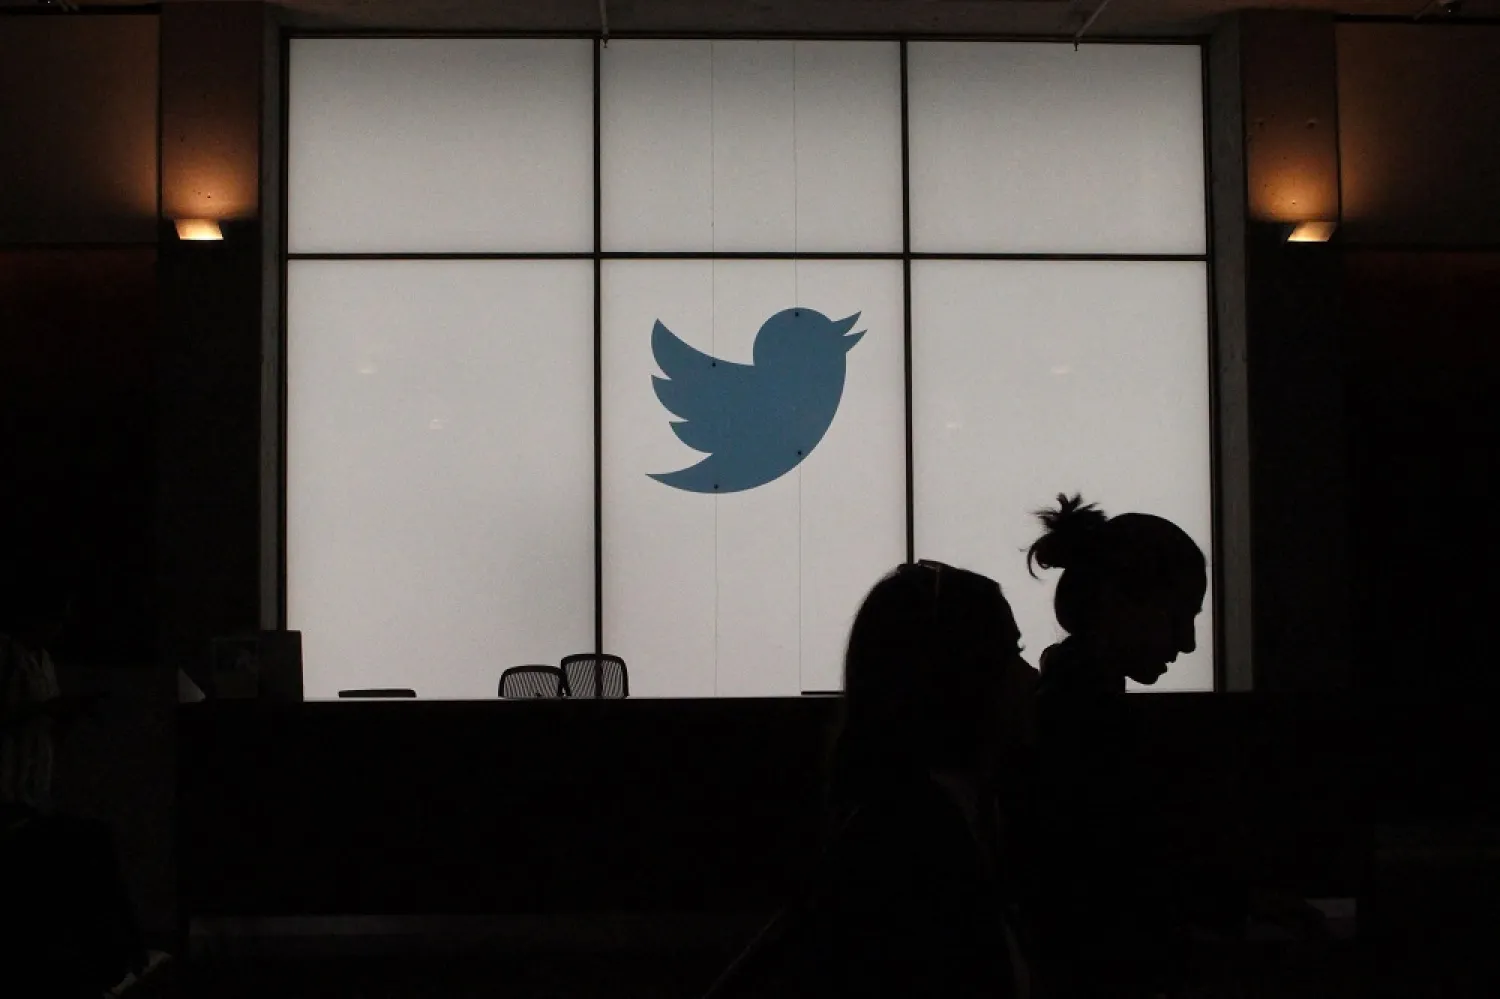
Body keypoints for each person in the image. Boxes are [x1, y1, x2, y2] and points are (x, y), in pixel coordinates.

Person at [1021, 494, 1322, 999]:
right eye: (1179, 614)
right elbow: (1124, 877)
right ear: (1118, 602)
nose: (1188, 643)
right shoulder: (1090, 724)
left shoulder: (1068, 709)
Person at [703, 561, 1038, 999]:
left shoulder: (898, 824)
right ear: (965, 675)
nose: (1031, 676)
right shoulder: (922, 846)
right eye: (1012, 653)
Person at [0, 569, 158, 995]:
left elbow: (42, 728)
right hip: (9, 800)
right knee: (90, 845)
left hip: (30, 795)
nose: (63, 626)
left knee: (84, 848)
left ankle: (116, 956)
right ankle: (122, 955)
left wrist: (57, 716)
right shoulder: (7, 655)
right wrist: (43, 712)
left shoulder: (43, 661)